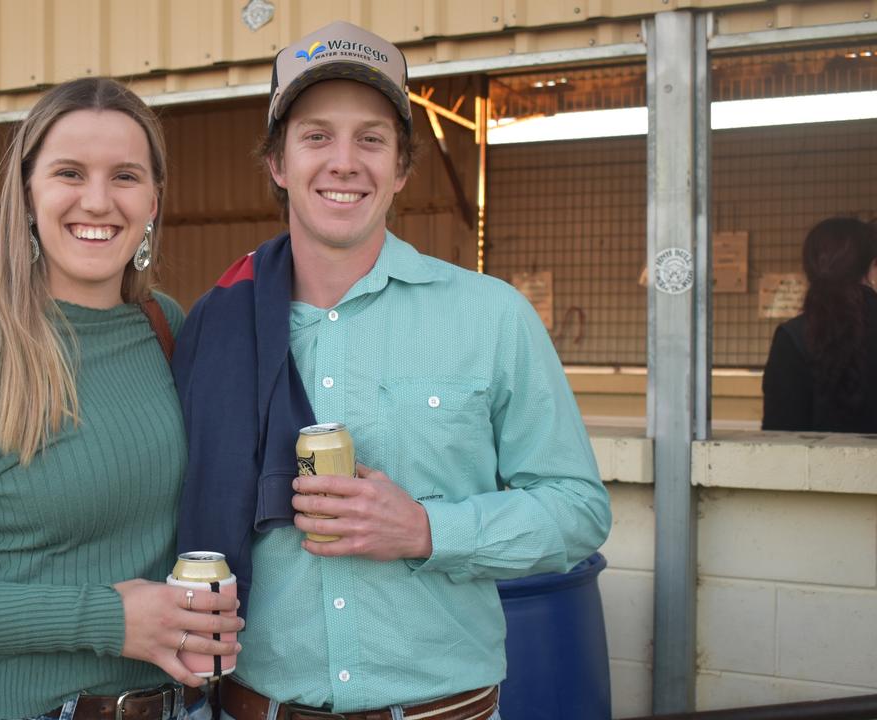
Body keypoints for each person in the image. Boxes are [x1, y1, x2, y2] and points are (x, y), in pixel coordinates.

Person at [171, 22, 611, 720]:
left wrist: (427, 531)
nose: (344, 161)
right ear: (278, 164)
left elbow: (580, 511)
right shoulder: (212, 327)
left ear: (402, 168)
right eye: (316, 136)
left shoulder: (491, 317)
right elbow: (153, 498)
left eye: (371, 139)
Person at [0, 77, 242, 720]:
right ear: (27, 194)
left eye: (125, 176)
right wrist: (109, 619)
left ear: (154, 201)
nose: (97, 200)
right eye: (68, 172)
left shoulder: (163, 324)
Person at [762, 217, 877, 432]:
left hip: (814, 465)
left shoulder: (794, 336)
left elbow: (780, 432)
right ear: (871, 267)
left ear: (809, 268)